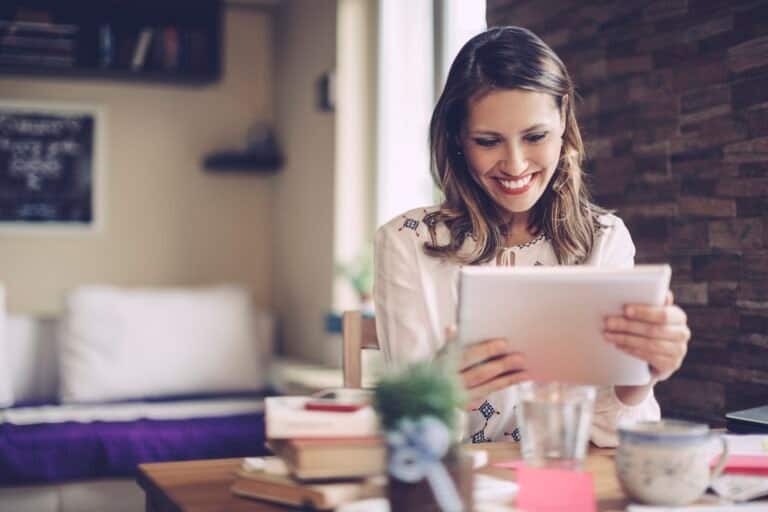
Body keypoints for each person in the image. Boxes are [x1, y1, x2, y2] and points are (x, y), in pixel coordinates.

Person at [373, 26, 691, 447]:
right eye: (488, 141)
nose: (515, 164)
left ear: (563, 119)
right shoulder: (406, 243)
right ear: (457, 139)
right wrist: (439, 394)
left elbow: (615, 440)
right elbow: (407, 436)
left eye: (535, 136)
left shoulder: (604, 238)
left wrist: (641, 380)